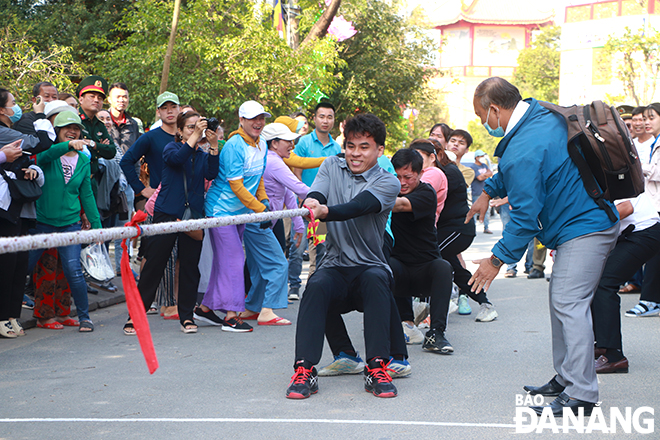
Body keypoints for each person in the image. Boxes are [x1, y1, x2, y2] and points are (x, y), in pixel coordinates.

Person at [467, 77, 619, 417]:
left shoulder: (523, 148)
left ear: (494, 109)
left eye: (481, 116)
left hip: (585, 228)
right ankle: (567, 378)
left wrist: (495, 261)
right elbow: (515, 170)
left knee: (569, 303)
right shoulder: (542, 114)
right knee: (562, 302)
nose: (482, 123)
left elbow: (523, 218)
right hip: (584, 222)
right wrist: (489, 190)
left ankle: (581, 395)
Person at [286, 113, 402, 400]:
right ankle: (304, 370)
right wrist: (313, 201)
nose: (355, 153)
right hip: (336, 264)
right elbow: (318, 193)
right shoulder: (331, 165)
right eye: (351, 146)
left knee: (378, 279)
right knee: (316, 283)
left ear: (379, 151)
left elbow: (359, 206)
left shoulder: (388, 182)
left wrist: (326, 212)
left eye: (364, 147)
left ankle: (376, 367)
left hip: (369, 267)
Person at [124, 111, 219, 335]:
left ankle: (186, 317)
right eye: (189, 127)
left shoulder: (202, 154)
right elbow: (177, 160)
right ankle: (135, 316)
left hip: (193, 215)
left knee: (189, 267)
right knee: (154, 266)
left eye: (198, 126)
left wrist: (213, 145)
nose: (195, 130)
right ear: (179, 131)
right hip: (166, 213)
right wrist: (195, 137)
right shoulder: (172, 149)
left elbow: (212, 172)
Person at [196, 101, 272, 333]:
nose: (258, 122)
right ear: (241, 120)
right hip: (221, 210)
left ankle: (205, 309)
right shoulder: (233, 146)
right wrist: (260, 209)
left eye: (262, 118)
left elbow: (257, 178)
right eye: (253, 118)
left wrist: (265, 202)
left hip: (241, 211)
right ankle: (231, 315)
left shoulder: (263, 144)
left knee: (224, 261)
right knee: (235, 260)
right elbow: (236, 185)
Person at [28, 111, 102, 333]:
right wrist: (69, 145)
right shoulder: (48, 153)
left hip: (70, 224)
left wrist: (98, 229)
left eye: (76, 128)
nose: (73, 131)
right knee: (23, 267)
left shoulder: (83, 160)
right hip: (41, 223)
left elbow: (86, 194)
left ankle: (84, 317)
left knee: (73, 271)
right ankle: (10, 316)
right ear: (57, 131)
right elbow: (43, 157)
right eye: (67, 128)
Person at [410, 139, 498, 322]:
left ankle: (425, 309)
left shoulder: (444, 173)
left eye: (419, 156)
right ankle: (485, 304)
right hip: (446, 230)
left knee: (429, 260)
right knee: (456, 269)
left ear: (435, 155)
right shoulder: (437, 171)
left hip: (457, 229)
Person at [237, 122, 304, 325]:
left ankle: (253, 307)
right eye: (288, 140)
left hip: (258, 221)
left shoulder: (270, 159)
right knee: (278, 264)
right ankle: (267, 311)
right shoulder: (273, 162)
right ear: (274, 143)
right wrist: (329, 197)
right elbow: (298, 188)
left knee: (257, 267)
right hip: (259, 221)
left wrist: (298, 224)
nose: (292, 144)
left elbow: (289, 194)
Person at [389, 148, 454, 354]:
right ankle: (404, 324)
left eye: (407, 177)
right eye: (397, 177)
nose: (402, 182)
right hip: (400, 267)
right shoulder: (391, 191)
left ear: (419, 174)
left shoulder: (426, 193)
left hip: (425, 269)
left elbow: (399, 206)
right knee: (384, 266)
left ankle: (436, 333)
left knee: (444, 267)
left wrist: (368, 202)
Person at [591, 192, 660, 373]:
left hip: (644, 231)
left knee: (604, 284)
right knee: (593, 281)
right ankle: (601, 345)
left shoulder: (605, 167)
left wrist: (587, 227)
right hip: (630, 234)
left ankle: (615, 357)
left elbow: (626, 208)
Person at [293, 102, 340, 277]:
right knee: (297, 248)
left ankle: (316, 281)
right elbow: (297, 171)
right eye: (322, 116)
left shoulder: (335, 147)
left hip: (322, 208)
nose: (325, 121)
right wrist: (301, 196)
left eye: (330, 117)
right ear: (314, 119)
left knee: (321, 246)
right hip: (303, 205)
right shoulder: (304, 142)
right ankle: (294, 286)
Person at [626, 102, 660, 317]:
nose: (646, 122)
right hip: (652, 205)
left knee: (654, 255)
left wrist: (637, 166)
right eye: (645, 118)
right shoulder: (655, 142)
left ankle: (649, 300)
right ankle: (650, 300)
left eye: (651, 118)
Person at [75, 75, 117, 195]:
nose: (97, 100)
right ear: (81, 99)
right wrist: (100, 147)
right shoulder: (76, 120)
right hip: (75, 178)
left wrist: (93, 144)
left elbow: (111, 152)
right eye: (92, 96)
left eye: (100, 98)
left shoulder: (99, 124)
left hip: (92, 179)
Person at [468, 150, 493, 233]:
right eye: (481, 156)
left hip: (486, 192)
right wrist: (485, 175)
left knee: (487, 210)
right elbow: (479, 178)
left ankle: (486, 227)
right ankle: (473, 228)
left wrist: (484, 175)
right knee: (475, 210)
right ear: (477, 157)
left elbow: (490, 173)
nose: (482, 158)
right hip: (476, 192)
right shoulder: (473, 167)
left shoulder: (484, 165)